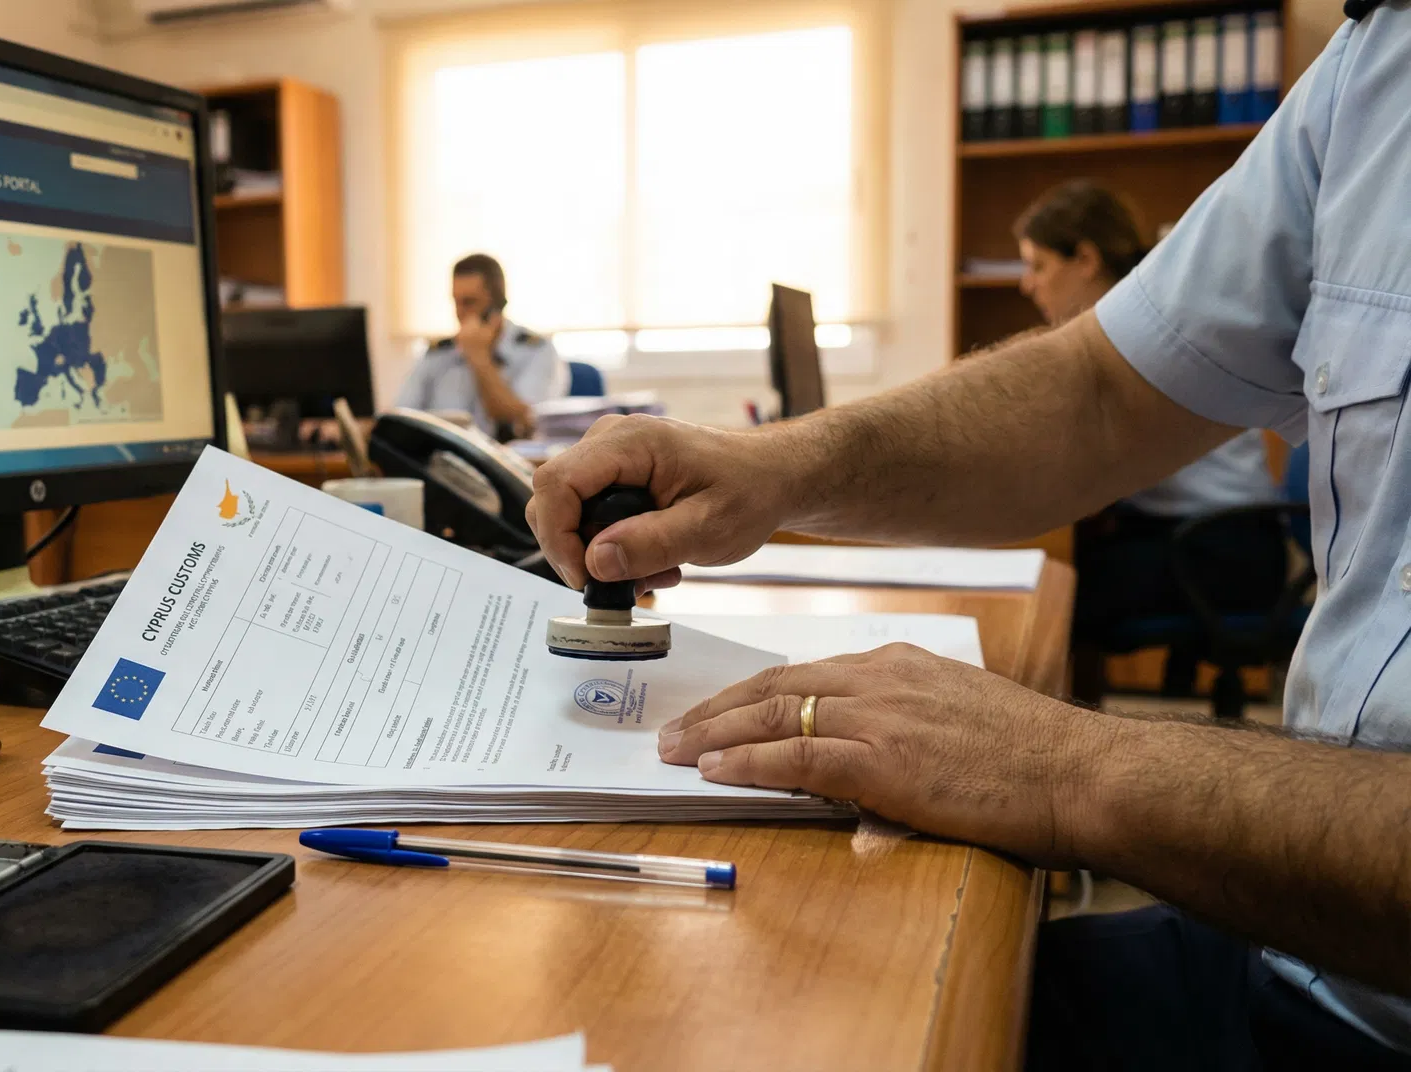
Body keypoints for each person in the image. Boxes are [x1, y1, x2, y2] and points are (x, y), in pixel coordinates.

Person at [526, 7, 1411, 1068]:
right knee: (795, 1007)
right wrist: (775, 469)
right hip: (1289, 949)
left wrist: (1066, 768)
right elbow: (1097, 389)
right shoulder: (1372, 67)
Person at [1014, 180, 1288, 700]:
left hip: (1221, 551)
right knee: (1060, 570)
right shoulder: (1137, 312)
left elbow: (1079, 455)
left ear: (1086, 259)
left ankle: (1050, 745)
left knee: (1051, 592)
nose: (1027, 284)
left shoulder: (1137, 329)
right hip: (1217, 539)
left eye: (1038, 265)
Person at [393, 253, 565, 440]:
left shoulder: (537, 350)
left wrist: (479, 357)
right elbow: (401, 417)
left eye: (469, 302)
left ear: (496, 305)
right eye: (455, 302)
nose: (459, 313)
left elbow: (523, 421)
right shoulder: (438, 353)